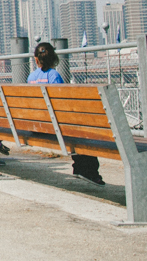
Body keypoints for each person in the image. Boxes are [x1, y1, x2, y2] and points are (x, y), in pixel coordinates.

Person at [28, 42, 104, 185]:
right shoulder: (54, 76)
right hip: (54, 127)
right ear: (54, 59)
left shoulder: (31, 77)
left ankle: (80, 168)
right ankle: (88, 171)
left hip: (37, 126)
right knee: (82, 133)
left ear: (36, 59)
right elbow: (63, 103)